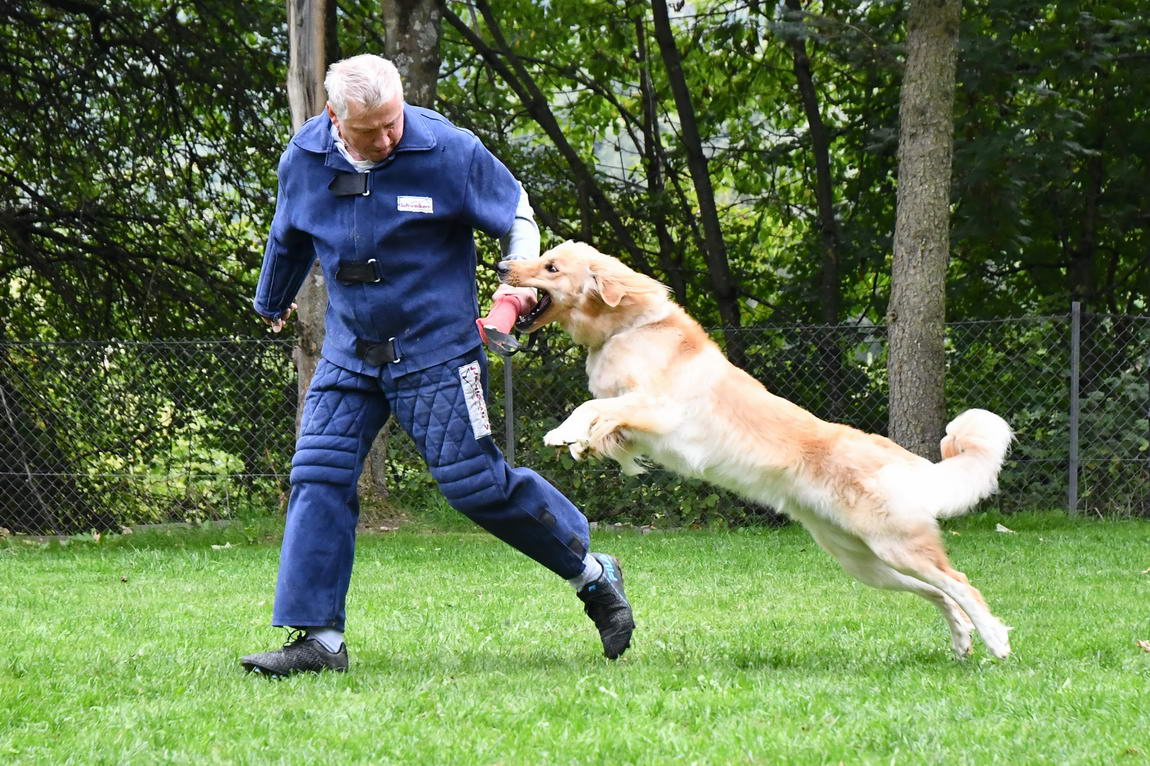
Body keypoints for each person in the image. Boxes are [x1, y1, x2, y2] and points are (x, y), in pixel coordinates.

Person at [240, 54, 634, 676]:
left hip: (437, 354)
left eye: (394, 122)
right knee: (318, 474)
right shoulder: (305, 159)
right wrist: (272, 299)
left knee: (475, 485)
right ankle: (319, 640)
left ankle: (592, 572)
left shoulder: (447, 149)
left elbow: (518, 213)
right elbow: (288, 233)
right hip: (349, 354)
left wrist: (521, 283)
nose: (390, 137)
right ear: (334, 116)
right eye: (373, 131)